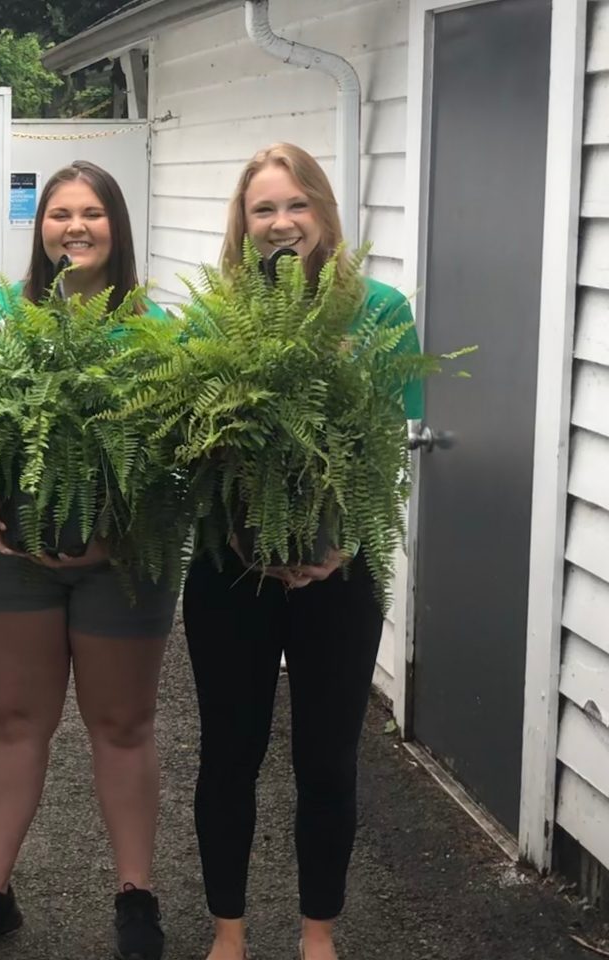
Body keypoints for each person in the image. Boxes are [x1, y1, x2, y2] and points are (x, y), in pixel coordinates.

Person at [183, 142, 423, 960]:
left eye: (297, 205)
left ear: (323, 210)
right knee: (229, 753)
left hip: (339, 574)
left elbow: (390, 439)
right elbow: (193, 440)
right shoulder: (216, 313)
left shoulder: (380, 310)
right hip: (230, 569)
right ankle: (229, 932)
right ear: (242, 224)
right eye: (263, 209)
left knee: (327, 759)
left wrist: (345, 540)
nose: (282, 223)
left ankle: (318, 932)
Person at [0, 162, 176, 960]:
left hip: (127, 558)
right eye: (59, 214)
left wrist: (125, 524)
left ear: (119, 227)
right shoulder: (5, 316)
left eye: (93, 213)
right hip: (19, 555)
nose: (75, 227)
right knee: (15, 721)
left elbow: (179, 458)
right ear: (40, 230)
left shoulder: (155, 326)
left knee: (122, 724)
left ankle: (136, 899)